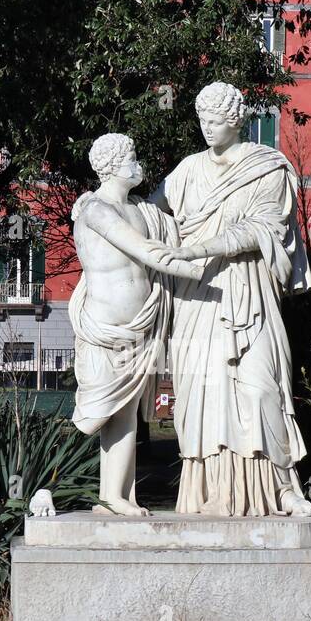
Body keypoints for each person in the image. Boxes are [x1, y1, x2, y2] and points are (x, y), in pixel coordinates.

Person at [151, 81, 311, 516]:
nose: (207, 129)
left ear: (236, 121)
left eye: (215, 121)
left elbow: (264, 229)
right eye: (202, 120)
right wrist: (101, 207)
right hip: (198, 297)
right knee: (201, 395)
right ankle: (209, 494)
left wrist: (198, 248)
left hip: (247, 290)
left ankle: (280, 486)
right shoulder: (186, 170)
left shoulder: (266, 168)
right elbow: (149, 214)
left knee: (262, 388)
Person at [69, 133, 203, 515]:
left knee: (126, 412)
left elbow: (177, 220)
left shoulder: (142, 210)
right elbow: (143, 250)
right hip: (107, 329)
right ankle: (113, 495)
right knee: (107, 412)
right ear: (111, 166)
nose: (138, 162)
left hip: (140, 327)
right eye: (131, 156)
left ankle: (118, 496)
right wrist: (197, 270)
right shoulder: (95, 210)